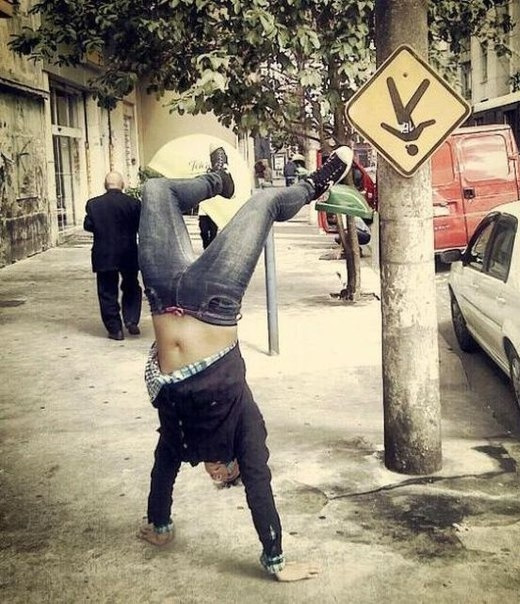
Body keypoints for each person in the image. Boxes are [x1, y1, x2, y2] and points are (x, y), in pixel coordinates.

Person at [136, 144, 354, 581]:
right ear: (234, 463)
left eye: (216, 478)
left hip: (162, 293)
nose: (218, 474)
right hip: (214, 298)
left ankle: (216, 181)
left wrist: (159, 526)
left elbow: (162, 473)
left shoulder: (181, 442)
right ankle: (313, 185)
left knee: (156, 191)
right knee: (263, 202)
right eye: (227, 474)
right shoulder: (244, 423)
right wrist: (276, 560)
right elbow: (259, 484)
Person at [83, 171, 142, 340]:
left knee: (107, 290)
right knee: (131, 285)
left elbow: (88, 225)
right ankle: (131, 320)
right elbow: (140, 226)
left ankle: (115, 329)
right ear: (122, 185)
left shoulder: (93, 204)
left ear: (105, 185)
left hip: (104, 253)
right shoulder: (134, 204)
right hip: (128, 252)